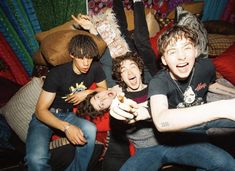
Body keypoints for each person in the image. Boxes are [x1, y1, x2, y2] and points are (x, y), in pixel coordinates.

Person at [25, 34, 107, 171]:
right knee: (35, 160)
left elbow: (103, 88)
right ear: (72, 55)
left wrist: (86, 93)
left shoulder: (95, 68)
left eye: (89, 57)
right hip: (46, 117)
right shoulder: (57, 74)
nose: (86, 63)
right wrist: (67, 128)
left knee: (90, 130)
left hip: (67, 114)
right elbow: (40, 111)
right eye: (81, 57)